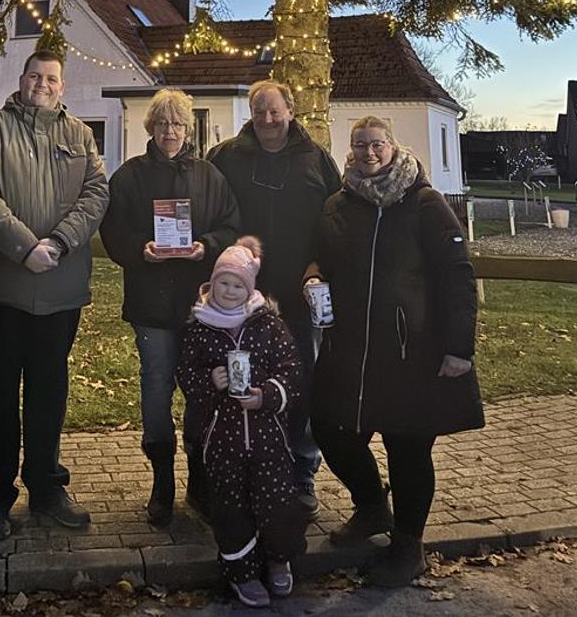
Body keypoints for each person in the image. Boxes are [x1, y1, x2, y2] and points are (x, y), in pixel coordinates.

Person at [306, 115, 484, 586]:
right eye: (360, 144)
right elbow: (320, 256)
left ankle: (409, 546)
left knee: (407, 447)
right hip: (351, 347)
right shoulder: (338, 204)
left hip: (412, 349)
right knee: (330, 427)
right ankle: (371, 507)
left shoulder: (424, 203)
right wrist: (312, 277)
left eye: (377, 144)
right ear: (350, 149)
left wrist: (459, 347)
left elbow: (457, 274)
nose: (368, 152)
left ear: (392, 146)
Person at [0, 50, 109, 541]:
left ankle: (48, 490)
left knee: (49, 395)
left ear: (62, 86)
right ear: (22, 79)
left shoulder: (80, 135)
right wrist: (23, 247)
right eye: (35, 76)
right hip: (5, 292)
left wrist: (59, 242)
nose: (42, 84)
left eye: (51, 78)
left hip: (60, 290)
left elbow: (96, 193)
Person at [99, 88, 239, 526]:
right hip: (152, 304)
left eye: (177, 124)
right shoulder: (129, 177)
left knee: (202, 392)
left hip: (200, 306)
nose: (170, 132)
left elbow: (230, 225)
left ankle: (199, 480)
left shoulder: (210, 176)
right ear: (151, 128)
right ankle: (162, 482)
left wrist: (207, 246)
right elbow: (112, 230)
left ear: (187, 128)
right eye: (162, 124)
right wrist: (139, 250)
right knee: (156, 389)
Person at [205, 80, 341, 517]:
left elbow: (336, 219)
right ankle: (241, 469)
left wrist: (321, 269)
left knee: (298, 378)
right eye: (259, 110)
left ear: (291, 110)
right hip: (239, 293)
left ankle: (301, 470)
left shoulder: (316, 158)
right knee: (239, 379)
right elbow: (207, 211)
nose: (267, 119)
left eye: (275, 110)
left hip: (298, 289)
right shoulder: (226, 157)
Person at [176, 237, 307, 608]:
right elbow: (186, 373)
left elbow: (291, 369)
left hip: (268, 438)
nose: (230, 291)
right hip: (223, 440)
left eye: (238, 285)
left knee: (277, 501)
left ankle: (278, 560)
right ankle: (242, 573)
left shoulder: (269, 324)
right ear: (212, 283)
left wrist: (267, 395)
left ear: (249, 289)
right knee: (231, 509)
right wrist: (210, 382)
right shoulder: (199, 328)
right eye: (223, 283)